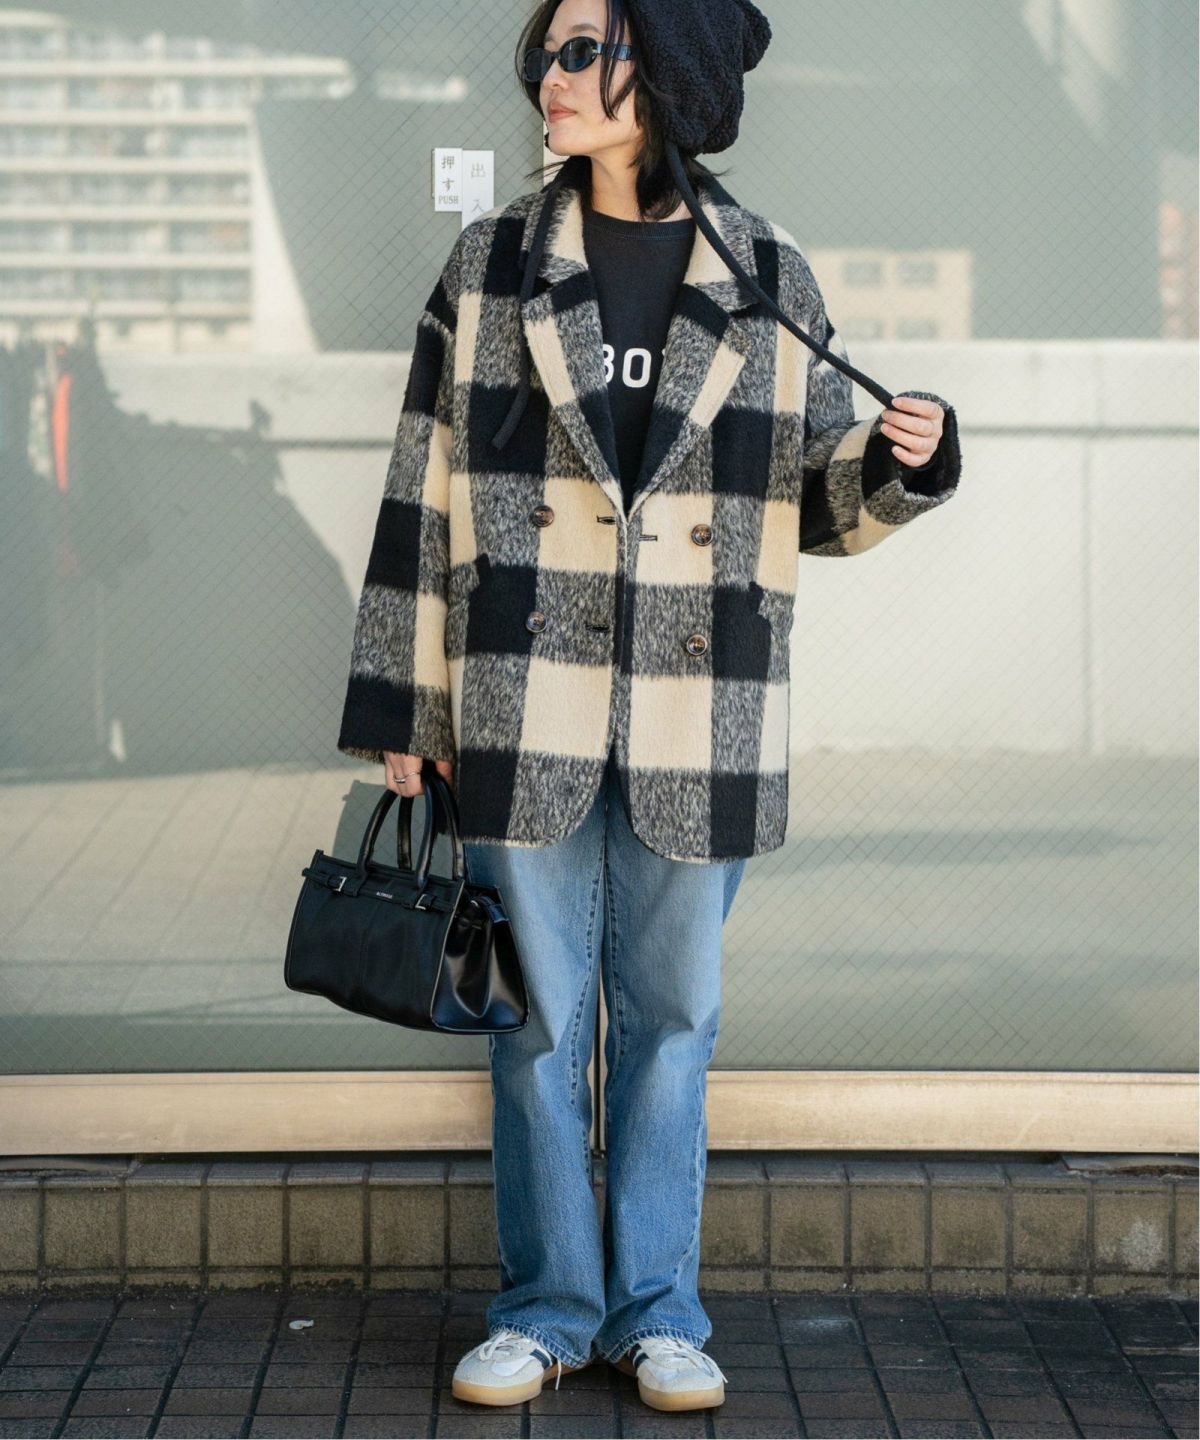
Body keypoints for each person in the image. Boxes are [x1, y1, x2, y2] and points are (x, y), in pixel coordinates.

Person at [336, 0, 961, 1414]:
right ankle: (547, 1310)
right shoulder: (493, 263)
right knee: (539, 1028)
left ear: (662, 74)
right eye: (545, 55)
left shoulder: (767, 272)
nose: (547, 80)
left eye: (579, 53)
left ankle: (660, 1315)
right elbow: (422, 486)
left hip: (704, 709)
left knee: (676, 1024)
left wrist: (909, 463)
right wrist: (405, 709)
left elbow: (814, 503)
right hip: (519, 701)